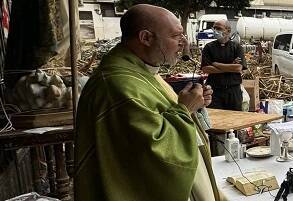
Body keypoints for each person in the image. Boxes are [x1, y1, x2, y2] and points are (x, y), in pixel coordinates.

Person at [75, 5, 224, 201]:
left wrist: (193, 105)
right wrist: (185, 109)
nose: (183, 43)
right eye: (175, 36)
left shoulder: (141, 71)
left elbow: (163, 114)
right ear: (145, 38)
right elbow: (154, 148)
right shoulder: (117, 85)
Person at [201, 19, 246, 111]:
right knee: (216, 119)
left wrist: (215, 64)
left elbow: (238, 68)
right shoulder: (209, 47)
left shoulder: (237, 47)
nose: (215, 30)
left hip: (233, 90)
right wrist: (230, 66)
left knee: (236, 118)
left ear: (228, 31)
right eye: (214, 28)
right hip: (214, 90)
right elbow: (206, 69)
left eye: (218, 28)